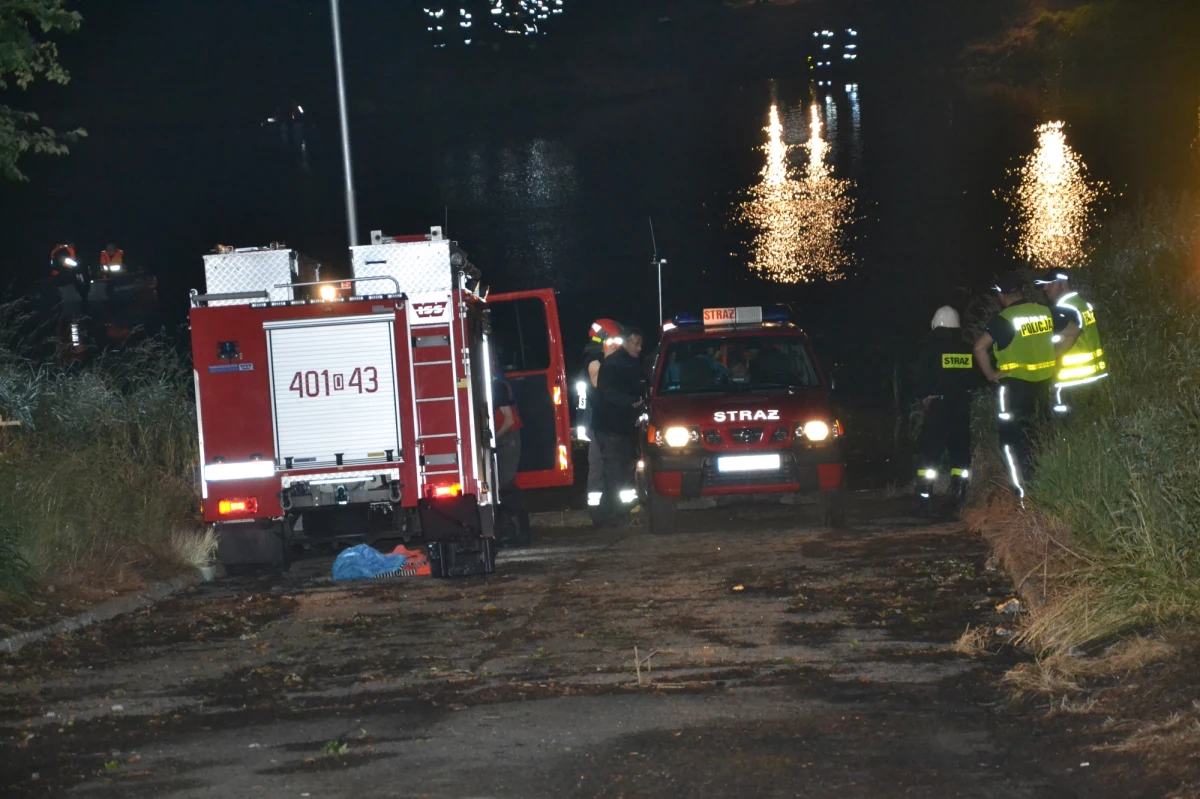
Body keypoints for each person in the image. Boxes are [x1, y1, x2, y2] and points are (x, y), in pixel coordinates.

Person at [973, 275, 1056, 498]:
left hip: (1014, 388)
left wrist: (991, 375)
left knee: (1011, 441)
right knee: (1039, 435)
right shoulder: (1044, 311)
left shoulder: (1005, 318)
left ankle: (1023, 490)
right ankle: (1045, 483)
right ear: (1021, 290)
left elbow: (980, 347)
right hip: (1044, 385)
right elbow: (1068, 333)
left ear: (1000, 295)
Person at [912, 306, 979, 509]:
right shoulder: (967, 348)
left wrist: (924, 396)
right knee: (960, 450)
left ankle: (924, 495)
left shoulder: (930, 348)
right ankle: (959, 493)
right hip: (961, 407)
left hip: (938, 407)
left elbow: (919, 380)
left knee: (930, 451)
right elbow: (975, 379)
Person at [591, 326, 645, 527]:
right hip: (610, 426)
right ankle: (611, 516)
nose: (639, 348)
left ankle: (617, 513)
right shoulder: (613, 364)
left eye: (641, 344)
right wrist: (630, 401)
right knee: (615, 472)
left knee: (624, 471)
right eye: (636, 343)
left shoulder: (632, 363)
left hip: (624, 427)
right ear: (626, 342)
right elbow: (607, 393)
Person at [1034, 269, 1109, 416]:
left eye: (1049, 284)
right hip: (1093, 375)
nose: (1045, 289)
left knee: (1067, 425)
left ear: (1063, 283)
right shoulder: (1082, 303)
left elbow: (1066, 339)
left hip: (1070, 379)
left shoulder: (1065, 309)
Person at [578, 319, 623, 512]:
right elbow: (600, 385)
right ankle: (601, 512)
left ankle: (610, 509)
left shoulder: (595, 357)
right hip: (597, 424)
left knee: (607, 465)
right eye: (614, 340)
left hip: (597, 422)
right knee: (600, 466)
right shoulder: (594, 358)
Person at [491, 348, 530, 547]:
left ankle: (519, 533)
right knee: (503, 486)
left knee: (505, 485)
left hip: (508, 438)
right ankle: (513, 531)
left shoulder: (497, 386)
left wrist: (493, 439)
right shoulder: (495, 383)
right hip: (506, 438)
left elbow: (509, 419)